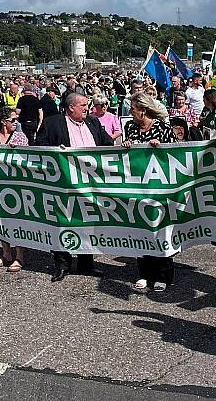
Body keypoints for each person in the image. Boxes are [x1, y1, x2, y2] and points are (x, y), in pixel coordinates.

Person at [35, 93, 113, 282]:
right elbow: (39, 146)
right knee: (63, 222)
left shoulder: (93, 123)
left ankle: (87, 264)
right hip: (64, 185)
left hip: (90, 184)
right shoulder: (52, 123)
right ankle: (63, 265)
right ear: (71, 107)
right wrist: (57, 153)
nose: (88, 108)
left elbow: (108, 144)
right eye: (83, 105)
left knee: (88, 222)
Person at [123, 92, 176, 292]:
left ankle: (163, 275)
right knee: (141, 230)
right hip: (138, 187)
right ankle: (144, 273)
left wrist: (160, 147)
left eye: (133, 110)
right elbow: (128, 155)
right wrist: (126, 145)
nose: (131, 113)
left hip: (159, 187)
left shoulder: (162, 127)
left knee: (161, 229)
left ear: (143, 110)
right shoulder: (130, 127)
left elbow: (176, 153)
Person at [0, 109, 28, 272]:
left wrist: (18, 150)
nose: (16, 122)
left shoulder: (20, 137)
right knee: (0, 219)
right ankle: (6, 253)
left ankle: (20, 256)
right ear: (3, 121)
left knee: (18, 219)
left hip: (16, 184)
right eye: (12, 119)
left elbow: (27, 159)